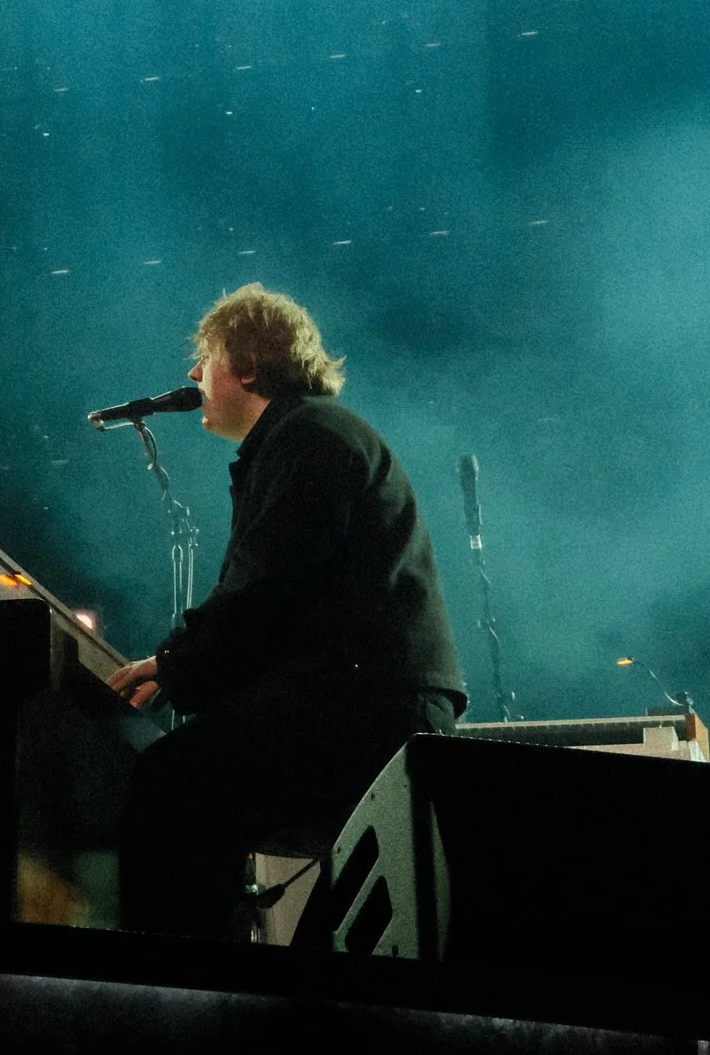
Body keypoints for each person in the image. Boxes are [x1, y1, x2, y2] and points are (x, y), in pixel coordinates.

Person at [104, 283, 464, 940]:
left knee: (170, 787)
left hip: (366, 710)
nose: (191, 375)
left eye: (204, 358)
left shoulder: (310, 438)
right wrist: (189, 666)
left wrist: (177, 664)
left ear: (245, 363)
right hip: (372, 703)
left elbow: (266, 585)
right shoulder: (307, 437)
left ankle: (172, 1007)